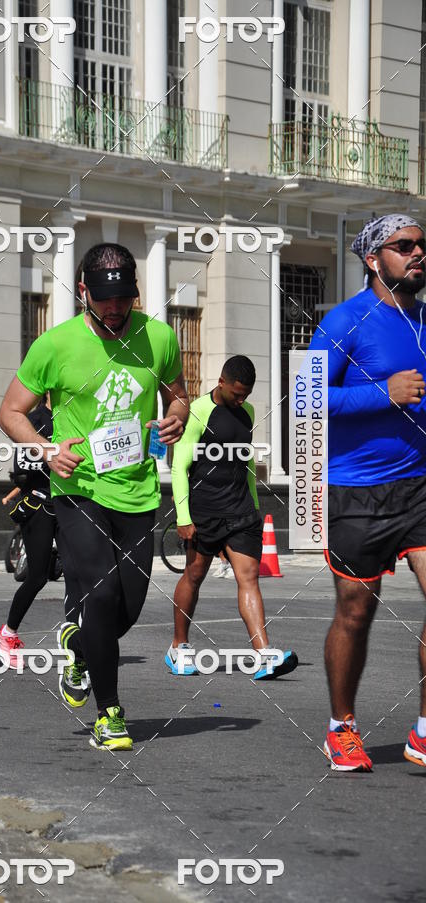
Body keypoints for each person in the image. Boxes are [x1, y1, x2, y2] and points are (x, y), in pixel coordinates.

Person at [0, 242, 189, 750]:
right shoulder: (55, 345)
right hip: (78, 488)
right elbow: (11, 412)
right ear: (82, 291)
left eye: (124, 299)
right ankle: (111, 714)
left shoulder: (160, 337)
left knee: (125, 609)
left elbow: (179, 394)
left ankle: (78, 646)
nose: (114, 310)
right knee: (100, 596)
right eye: (104, 300)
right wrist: (45, 450)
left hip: (138, 491)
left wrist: (176, 419)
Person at [309, 214, 426, 771]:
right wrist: (384, 393)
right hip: (356, 490)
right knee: (357, 612)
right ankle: (342, 725)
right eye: (404, 246)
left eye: (422, 245)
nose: (418, 253)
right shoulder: (344, 321)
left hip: (420, 486)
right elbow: (307, 405)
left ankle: (424, 729)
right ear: (374, 259)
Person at [167, 356, 298, 679]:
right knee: (194, 576)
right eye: (237, 393)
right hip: (204, 511)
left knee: (249, 577)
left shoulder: (248, 412)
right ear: (222, 382)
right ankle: (179, 646)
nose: (242, 400)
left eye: (246, 394)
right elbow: (179, 467)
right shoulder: (198, 411)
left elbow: (246, 462)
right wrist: (183, 517)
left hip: (240, 510)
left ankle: (264, 653)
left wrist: (253, 504)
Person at [0, 395, 75, 671]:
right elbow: (21, 468)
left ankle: (75, 638)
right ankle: (8, 633)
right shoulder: (35, 420)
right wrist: (52, 454)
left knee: (77, 573)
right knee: (38, 576)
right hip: (38, 505)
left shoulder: (74, 416)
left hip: (70, 505)